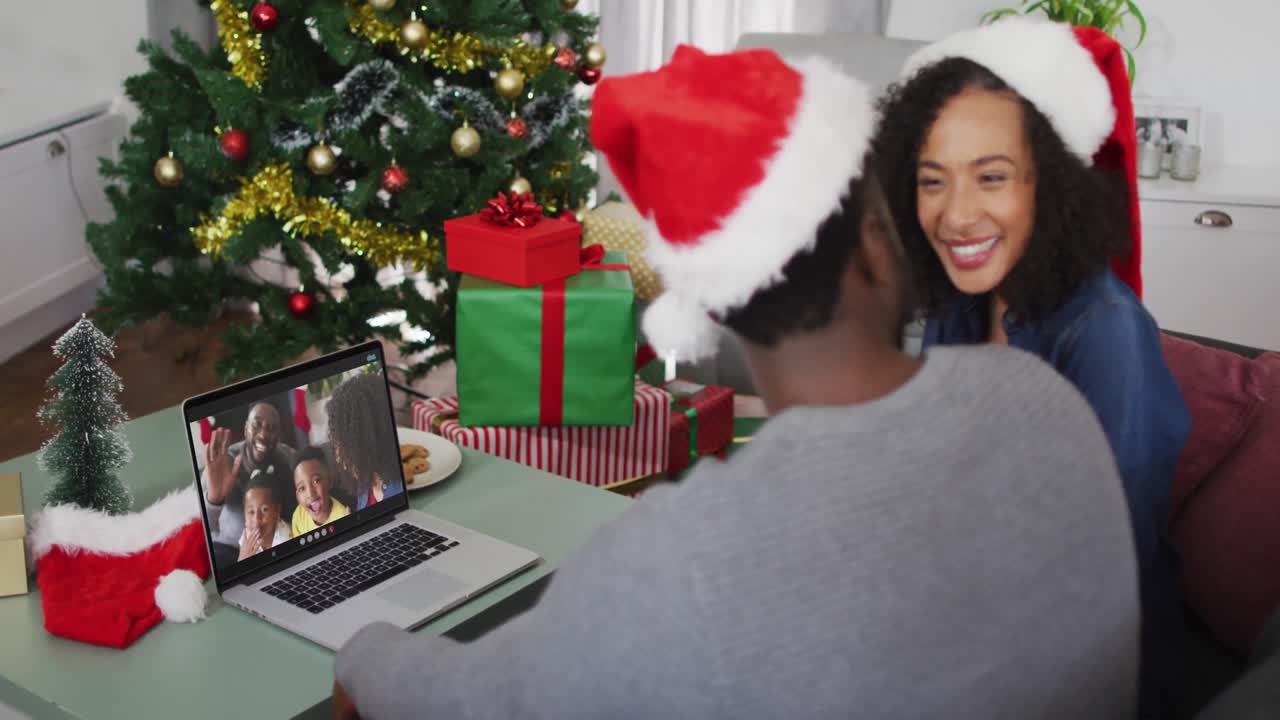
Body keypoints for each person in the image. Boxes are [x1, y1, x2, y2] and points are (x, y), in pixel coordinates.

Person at [333, 45, 1140, 719]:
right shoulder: (1043, 400)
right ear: (872, 244)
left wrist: (362, 652)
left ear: (713, 304)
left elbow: (467, 703)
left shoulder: (680, 559)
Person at [871, 18, 1191, 717]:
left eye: (991, 177)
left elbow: (1109, 570)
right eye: (932, 181)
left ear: (1051, 185)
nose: (956, 215)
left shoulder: (1105, 333)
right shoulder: (964, 303)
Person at [202, 402, 296, 567]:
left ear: (278, 434)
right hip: (230, 551)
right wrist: (214, 499)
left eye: (271, 428)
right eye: (256, 425)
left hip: (278, 548)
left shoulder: (289, 459)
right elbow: (203, 530)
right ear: (246, 429)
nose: (263, 434)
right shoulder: (222, 462)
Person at [324, 373, 403, 510]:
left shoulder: (401, 489)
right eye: (337, 443)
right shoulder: (366, 483)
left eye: (345, 442)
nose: (338, 458)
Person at [290, 446, 350, 537]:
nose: (310, 493)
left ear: (329, 481)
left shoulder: (343, 515)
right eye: (302, 488)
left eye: (316, 481)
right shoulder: (299, 516)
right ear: (297, 496)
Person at [237, 470, 291, 561]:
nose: (257, 518)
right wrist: (243, 558)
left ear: (277, 510)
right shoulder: (247, 537)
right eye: (251, 512)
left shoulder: (286, 538)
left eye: (264, 510)